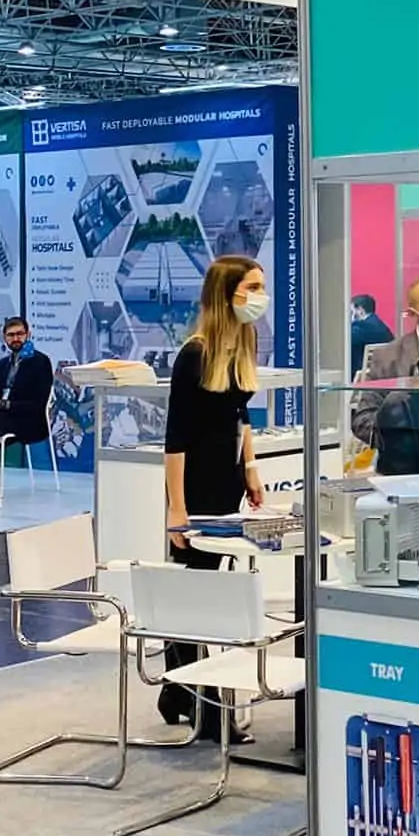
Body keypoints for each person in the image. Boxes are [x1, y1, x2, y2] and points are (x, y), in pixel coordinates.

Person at [161, 255, 268, 736]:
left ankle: (179, 691)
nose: (260, 296)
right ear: (227, 294)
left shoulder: (244, 341)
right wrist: (177, 508)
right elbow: (176, 438)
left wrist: (251, 469)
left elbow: (241, 415)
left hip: (228, 482)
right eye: (252, 287)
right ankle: (194, 697)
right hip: (195, 484)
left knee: (209, 588)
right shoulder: (194, 354)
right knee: (193, 593)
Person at [350, 275, 419, 478]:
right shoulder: (388, 357)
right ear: (414, 314)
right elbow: (362, 420)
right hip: (402, 472)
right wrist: (397, 438)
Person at [0, 317, 54, 469]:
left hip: (29, 420)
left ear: (28, 335)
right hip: (4, 416)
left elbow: (38, 403)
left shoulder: (40, 361)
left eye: (19, 334)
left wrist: (8, 405)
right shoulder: (2, 364)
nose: (15, 339)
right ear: (4, 338)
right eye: (11, 335)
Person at [349, 293, 394, 381]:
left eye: (351, 311)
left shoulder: (360, 327)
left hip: (359, 376)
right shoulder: (381, 326)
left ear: (360, 310)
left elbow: (342, 341)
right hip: (382, 375)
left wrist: (351, 321)